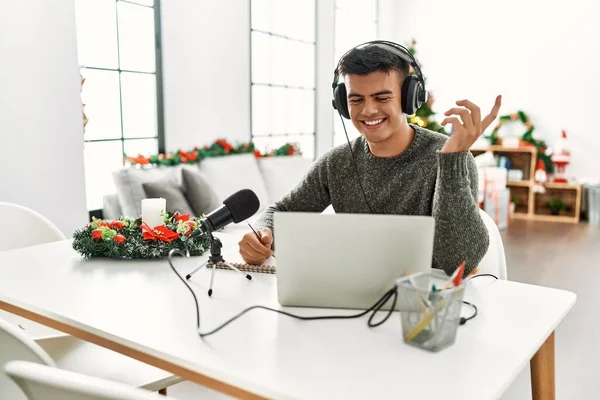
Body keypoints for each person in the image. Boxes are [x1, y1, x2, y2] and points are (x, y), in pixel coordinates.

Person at [238, 41, 501, 276]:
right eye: (356, 99)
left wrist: (452, 161)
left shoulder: (450, 158)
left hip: (425, 303)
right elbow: (281, 212)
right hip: (357, 294)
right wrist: (261, 234)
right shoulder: (336, 163)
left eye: (382, 97)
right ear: (343, 103)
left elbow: (459, 263)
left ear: (409, 98)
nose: (368, 110)